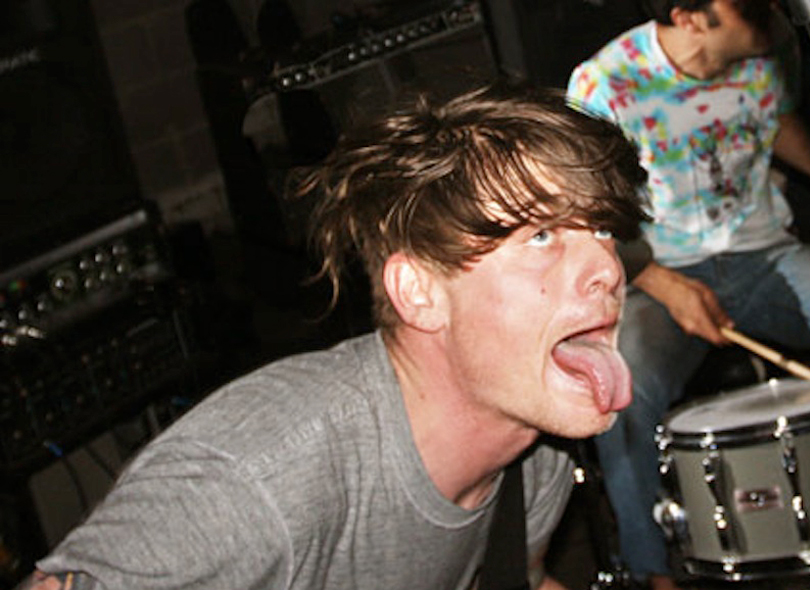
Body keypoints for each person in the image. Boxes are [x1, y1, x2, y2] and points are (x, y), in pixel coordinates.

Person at [14, 82, 649, 590]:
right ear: (419, 293)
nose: (608, 268)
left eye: (601, 230)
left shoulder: (533, 457)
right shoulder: (257, 481)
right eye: (541, 236)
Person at [566, 0, 810, 588]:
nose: (768, 10)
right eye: (744, 5)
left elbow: (774, 122)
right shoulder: (605, 84)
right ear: (689, 17)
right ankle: (650, 572)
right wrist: (662, 284)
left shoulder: (770, 49)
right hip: (663, 274)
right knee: (623, 382)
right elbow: (583, 214)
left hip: (765, 256)